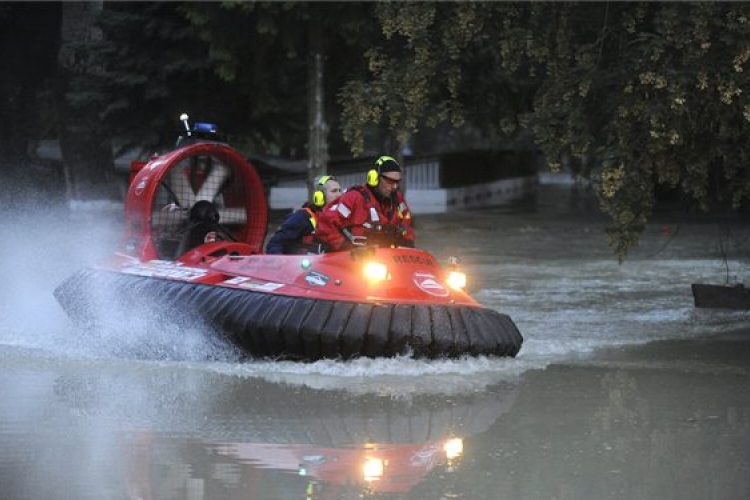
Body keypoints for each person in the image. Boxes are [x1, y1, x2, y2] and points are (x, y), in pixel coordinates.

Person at [315, 155, 415, 251]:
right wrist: (345, 246)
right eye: (390, 181)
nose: (394, 186)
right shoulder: (354, 198)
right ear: (374, 178)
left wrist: (408, 242)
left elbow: (406, 224)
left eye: (397, 182)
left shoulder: (398, 200)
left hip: (388, 258)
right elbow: (326, 224)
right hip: (356, 261)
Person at [265, 174, 342, 254]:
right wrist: (281, 263)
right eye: (334, 191)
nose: (339, 195)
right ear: (320, 196)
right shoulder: (302, 217)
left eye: (340, 191)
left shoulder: (341, 219)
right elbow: (275, 243)